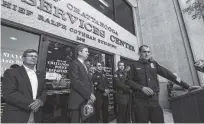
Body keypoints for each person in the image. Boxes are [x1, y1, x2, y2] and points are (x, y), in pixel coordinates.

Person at [126, 45, 200, 123]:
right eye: (144, 52)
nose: (147, 54)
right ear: (139, 53)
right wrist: (141, 88)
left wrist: (187, 86)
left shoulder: (154, 64)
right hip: (139, 103)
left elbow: (169, 75)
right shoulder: (133, 65)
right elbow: (127, 81)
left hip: (154, 101)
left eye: (148, 52)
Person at [2, 49, 46, 123]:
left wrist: (40, 100)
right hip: (17, 114)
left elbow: (44, 90)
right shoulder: (11, 72)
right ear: (23, 58)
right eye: (31, 56)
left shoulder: (40, 75)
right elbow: (9, 93)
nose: (34, 58)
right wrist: (32, 104)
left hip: (36, 115)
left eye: (35, 56)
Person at [68, 44, 95, 123]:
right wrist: (89, 94)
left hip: (86, 101)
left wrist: (91, 95)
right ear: (79, 52)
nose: (88, 53)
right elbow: (76, 82)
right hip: (77, 102)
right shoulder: (74, 64)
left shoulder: (84, 65)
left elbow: (90, 82)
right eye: (86, 51)